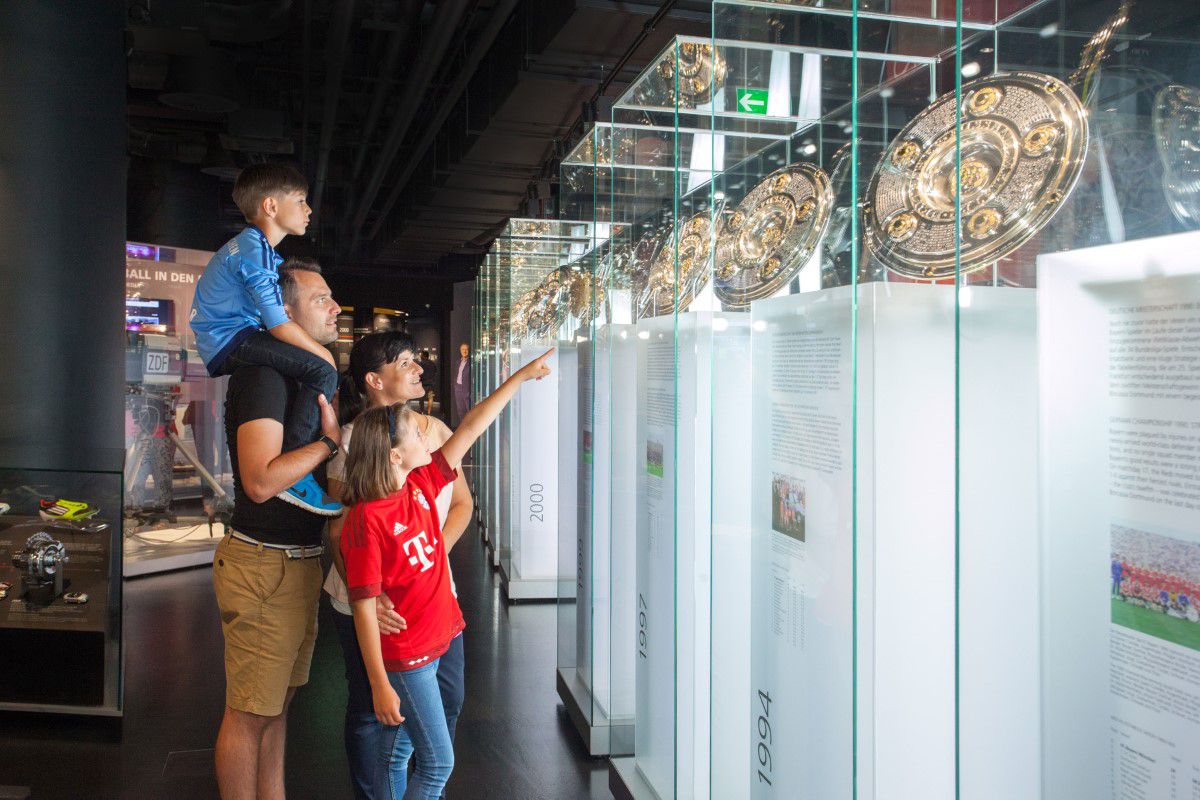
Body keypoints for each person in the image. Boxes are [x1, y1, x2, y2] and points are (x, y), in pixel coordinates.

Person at [341, 348, 554, 799]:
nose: (426, 436)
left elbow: (473, 425)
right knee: (438, 763)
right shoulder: (366, 520)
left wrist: (518, 379)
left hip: (443, 635)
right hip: (411, 654)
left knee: (400, 755)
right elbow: (363, 609)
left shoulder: (420, 484)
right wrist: (379, 683)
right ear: (397, 456)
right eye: (416, 434)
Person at [211, 258, 344, 800]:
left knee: (276, 707)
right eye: (320, 299)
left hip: (296, 561)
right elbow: (262, 481)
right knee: (249, 714)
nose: (335, 308)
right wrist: (328, 445)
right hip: (265, 565)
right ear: (281, 312)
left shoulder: (295, 374)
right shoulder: (264, 376)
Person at [326, 332, 473, 800]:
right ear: (374, 379)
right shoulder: (353, 442)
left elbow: (462, 506)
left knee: (444, 702)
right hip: (373, 600)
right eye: (405, 362)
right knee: (374, 710)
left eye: (416, 360)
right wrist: (376, 589)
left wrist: (428, 556)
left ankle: (425, 787)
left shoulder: (437, 433)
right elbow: (342, 531)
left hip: (428, 592)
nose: (418, 369)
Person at [190, 163, 340, 516]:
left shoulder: (258, 249)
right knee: (322, 371)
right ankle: (292, 473)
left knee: (316, 369)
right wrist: (325, 357)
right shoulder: (253, 248)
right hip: (231, 339)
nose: (308, 209)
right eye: (301, 200)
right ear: (271, 207)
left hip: (231, 336)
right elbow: (276, 322)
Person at [452, 343, 471, 426]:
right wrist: (455, 385)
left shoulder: (471, 362)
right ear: (460, 351)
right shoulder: (457, 362)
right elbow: (455, 374)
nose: (465, 351)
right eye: (463, 349)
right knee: (460, 410)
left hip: (467, 389)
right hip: (458, 388)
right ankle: (463, 428)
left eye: (466, 349)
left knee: (469, 410)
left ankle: (470, 428)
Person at [418, 350, 438, 415]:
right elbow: (435, 372)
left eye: (421, 355)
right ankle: (429, 412)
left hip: (423, 384)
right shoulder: (432, 363)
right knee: (430, 398)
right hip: (431, 384)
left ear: (424, 356)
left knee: (421, 399)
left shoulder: (421, 363)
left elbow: (419, 374)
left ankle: (422, 412)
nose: (420, 356)